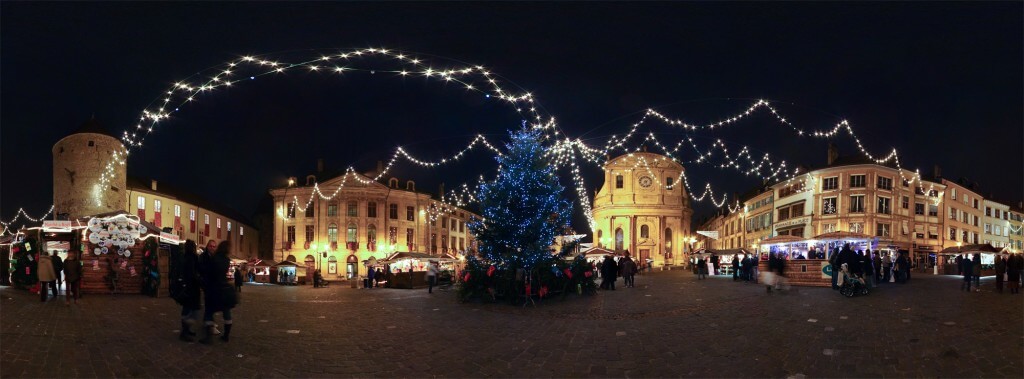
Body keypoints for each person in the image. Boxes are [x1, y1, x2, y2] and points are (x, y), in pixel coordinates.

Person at [199, 241, 237, 344]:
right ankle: (226, 336)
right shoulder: (226, 260)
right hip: (224, 288)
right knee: (226, 312)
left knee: (209, 313)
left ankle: (208, 337)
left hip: (214, 288)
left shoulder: (214, 259)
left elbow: (209, 273)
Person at [173, 240, 202, 342]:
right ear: (193, 248)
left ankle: (186, 330)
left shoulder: (185, 257)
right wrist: (199, 280)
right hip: (191, 289)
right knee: (192, 311)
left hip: (187, 288)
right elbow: (192, 274)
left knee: (187, 309)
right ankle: (184, 332)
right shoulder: (191, 258)